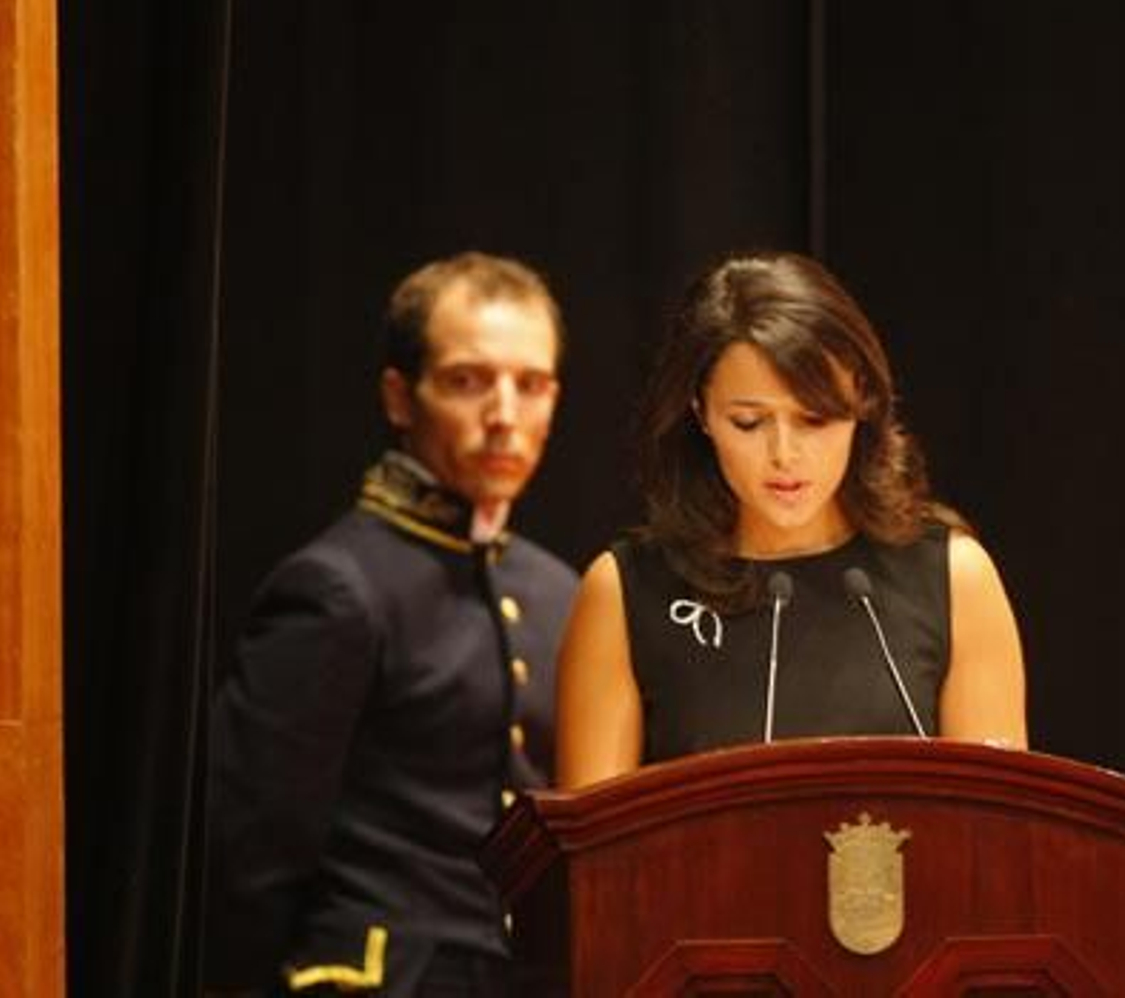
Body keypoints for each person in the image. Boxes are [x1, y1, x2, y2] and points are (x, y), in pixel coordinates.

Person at [206, 252, 579, 996]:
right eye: (468, 381)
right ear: (399, 397)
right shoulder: (338, 588)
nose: (505, 415)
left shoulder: (560, 589)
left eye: (530, 385)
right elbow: (249, 860)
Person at [556, 250, 1027, 789]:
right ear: (699, 412)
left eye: (815, 419)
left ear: (864, 403)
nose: (785, 454)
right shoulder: (625, 593)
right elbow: (594, 859)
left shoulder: (953, 579)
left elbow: (997, 843)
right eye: (749, 422)